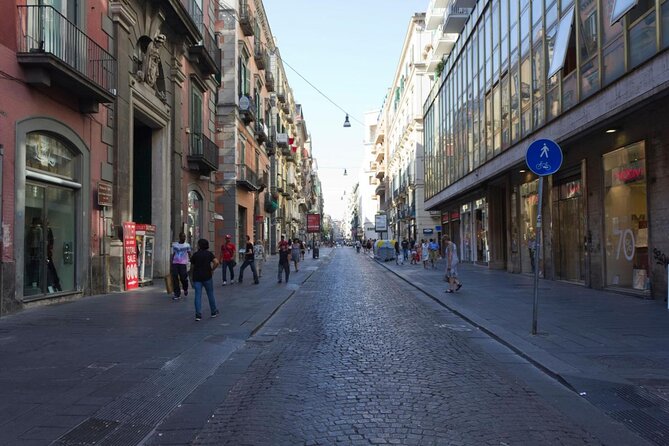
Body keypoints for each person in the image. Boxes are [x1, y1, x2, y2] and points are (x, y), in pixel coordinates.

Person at [190, 238, 220, 321]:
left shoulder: (195, 255)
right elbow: (216, 262)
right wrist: (212, 270)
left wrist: (191, 277)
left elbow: (192, 267)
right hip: (207, 276)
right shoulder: (209, 254)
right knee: (210, 294)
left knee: (197, 295)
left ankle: (198, 314)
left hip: (197, 277)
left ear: (199, 245)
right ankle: (213, 311)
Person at [171, 232, 191, 300]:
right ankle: (177, 294)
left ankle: (185, 288)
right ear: (179, 237)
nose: (184, 238)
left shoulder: (187, 245)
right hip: (175, 263)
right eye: (183, 236)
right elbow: (173, 254)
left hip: (183, 263)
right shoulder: (175, 245)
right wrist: (171, 263)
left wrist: (191, 262)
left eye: (185, 236)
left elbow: (189, 253)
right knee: (175, 277)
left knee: (183, 277)